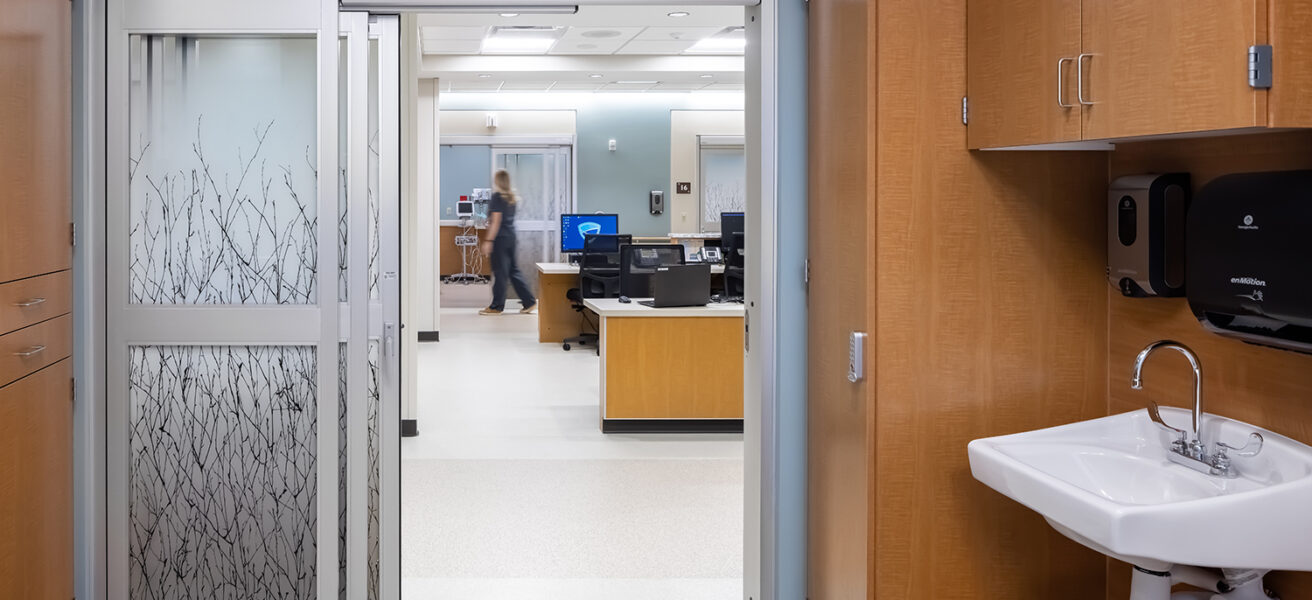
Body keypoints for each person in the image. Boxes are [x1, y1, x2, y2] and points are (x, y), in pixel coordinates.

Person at [479, 169, 537, 315]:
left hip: (500, 239)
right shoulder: (511, 198)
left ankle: (496, 306)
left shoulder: (497, 197)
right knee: (513, 271)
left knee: (500, 272)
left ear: (497, 181)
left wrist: (488, 240)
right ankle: (529, 302)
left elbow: (497, 221)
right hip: (511, 237)